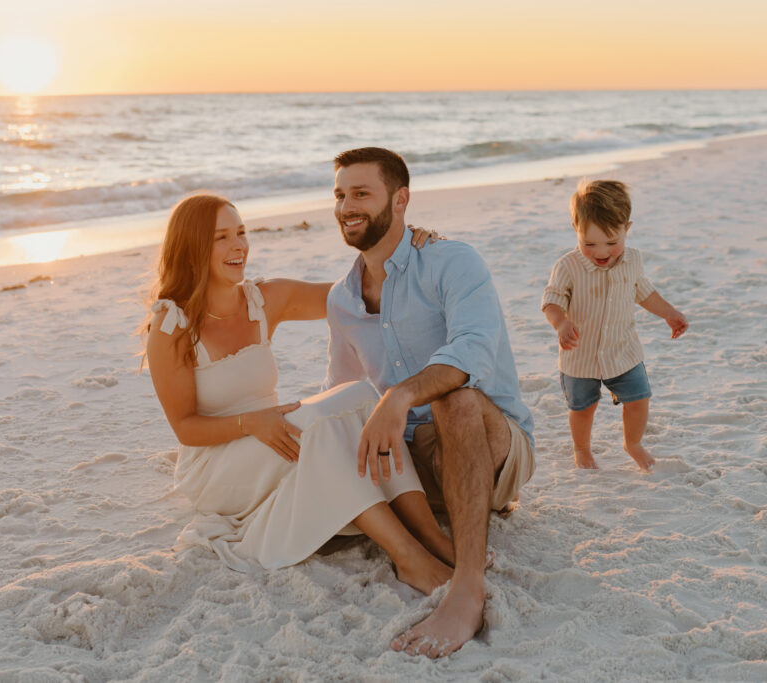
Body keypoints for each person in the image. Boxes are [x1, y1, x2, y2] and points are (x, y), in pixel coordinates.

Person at [144, 193, 458, 596]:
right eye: (221, 237)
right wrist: (251, 422)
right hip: (217, 463)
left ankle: (432, 538)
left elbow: (359, 294)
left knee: (363, 395)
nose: (238, 245)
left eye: (241, 232)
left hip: (276, 437)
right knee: (320, 427)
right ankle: (408, 558)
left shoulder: (263, 300)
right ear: (192, 247)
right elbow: (185, 428)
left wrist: (411, 248)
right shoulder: (171, 324)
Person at [323, 147, 535, 658]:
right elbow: (343, 393)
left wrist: (403, 394)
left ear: (401, 201)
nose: (346, 206)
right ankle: (422, 551)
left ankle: (467, 588)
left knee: (453, 399)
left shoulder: (450, 261)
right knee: (331, 422)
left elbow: (472, 350)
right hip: (410, 471)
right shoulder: (341, 300)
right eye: (339, 194)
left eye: (361, 193)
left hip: (491, 445)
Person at [542, 179, 687, 471]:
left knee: (639, 399)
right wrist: (561, 323)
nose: (601, 252)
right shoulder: (567, 266)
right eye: (589, 243)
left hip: (623, 350)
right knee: (582, 408)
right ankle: (582, 449)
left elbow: (643, 292)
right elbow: (551, 300)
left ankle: (632, 443)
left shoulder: (633, 260)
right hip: (580, 356)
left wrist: (669, 312)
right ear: (576, 230)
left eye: (612, 242)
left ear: (627, 229)